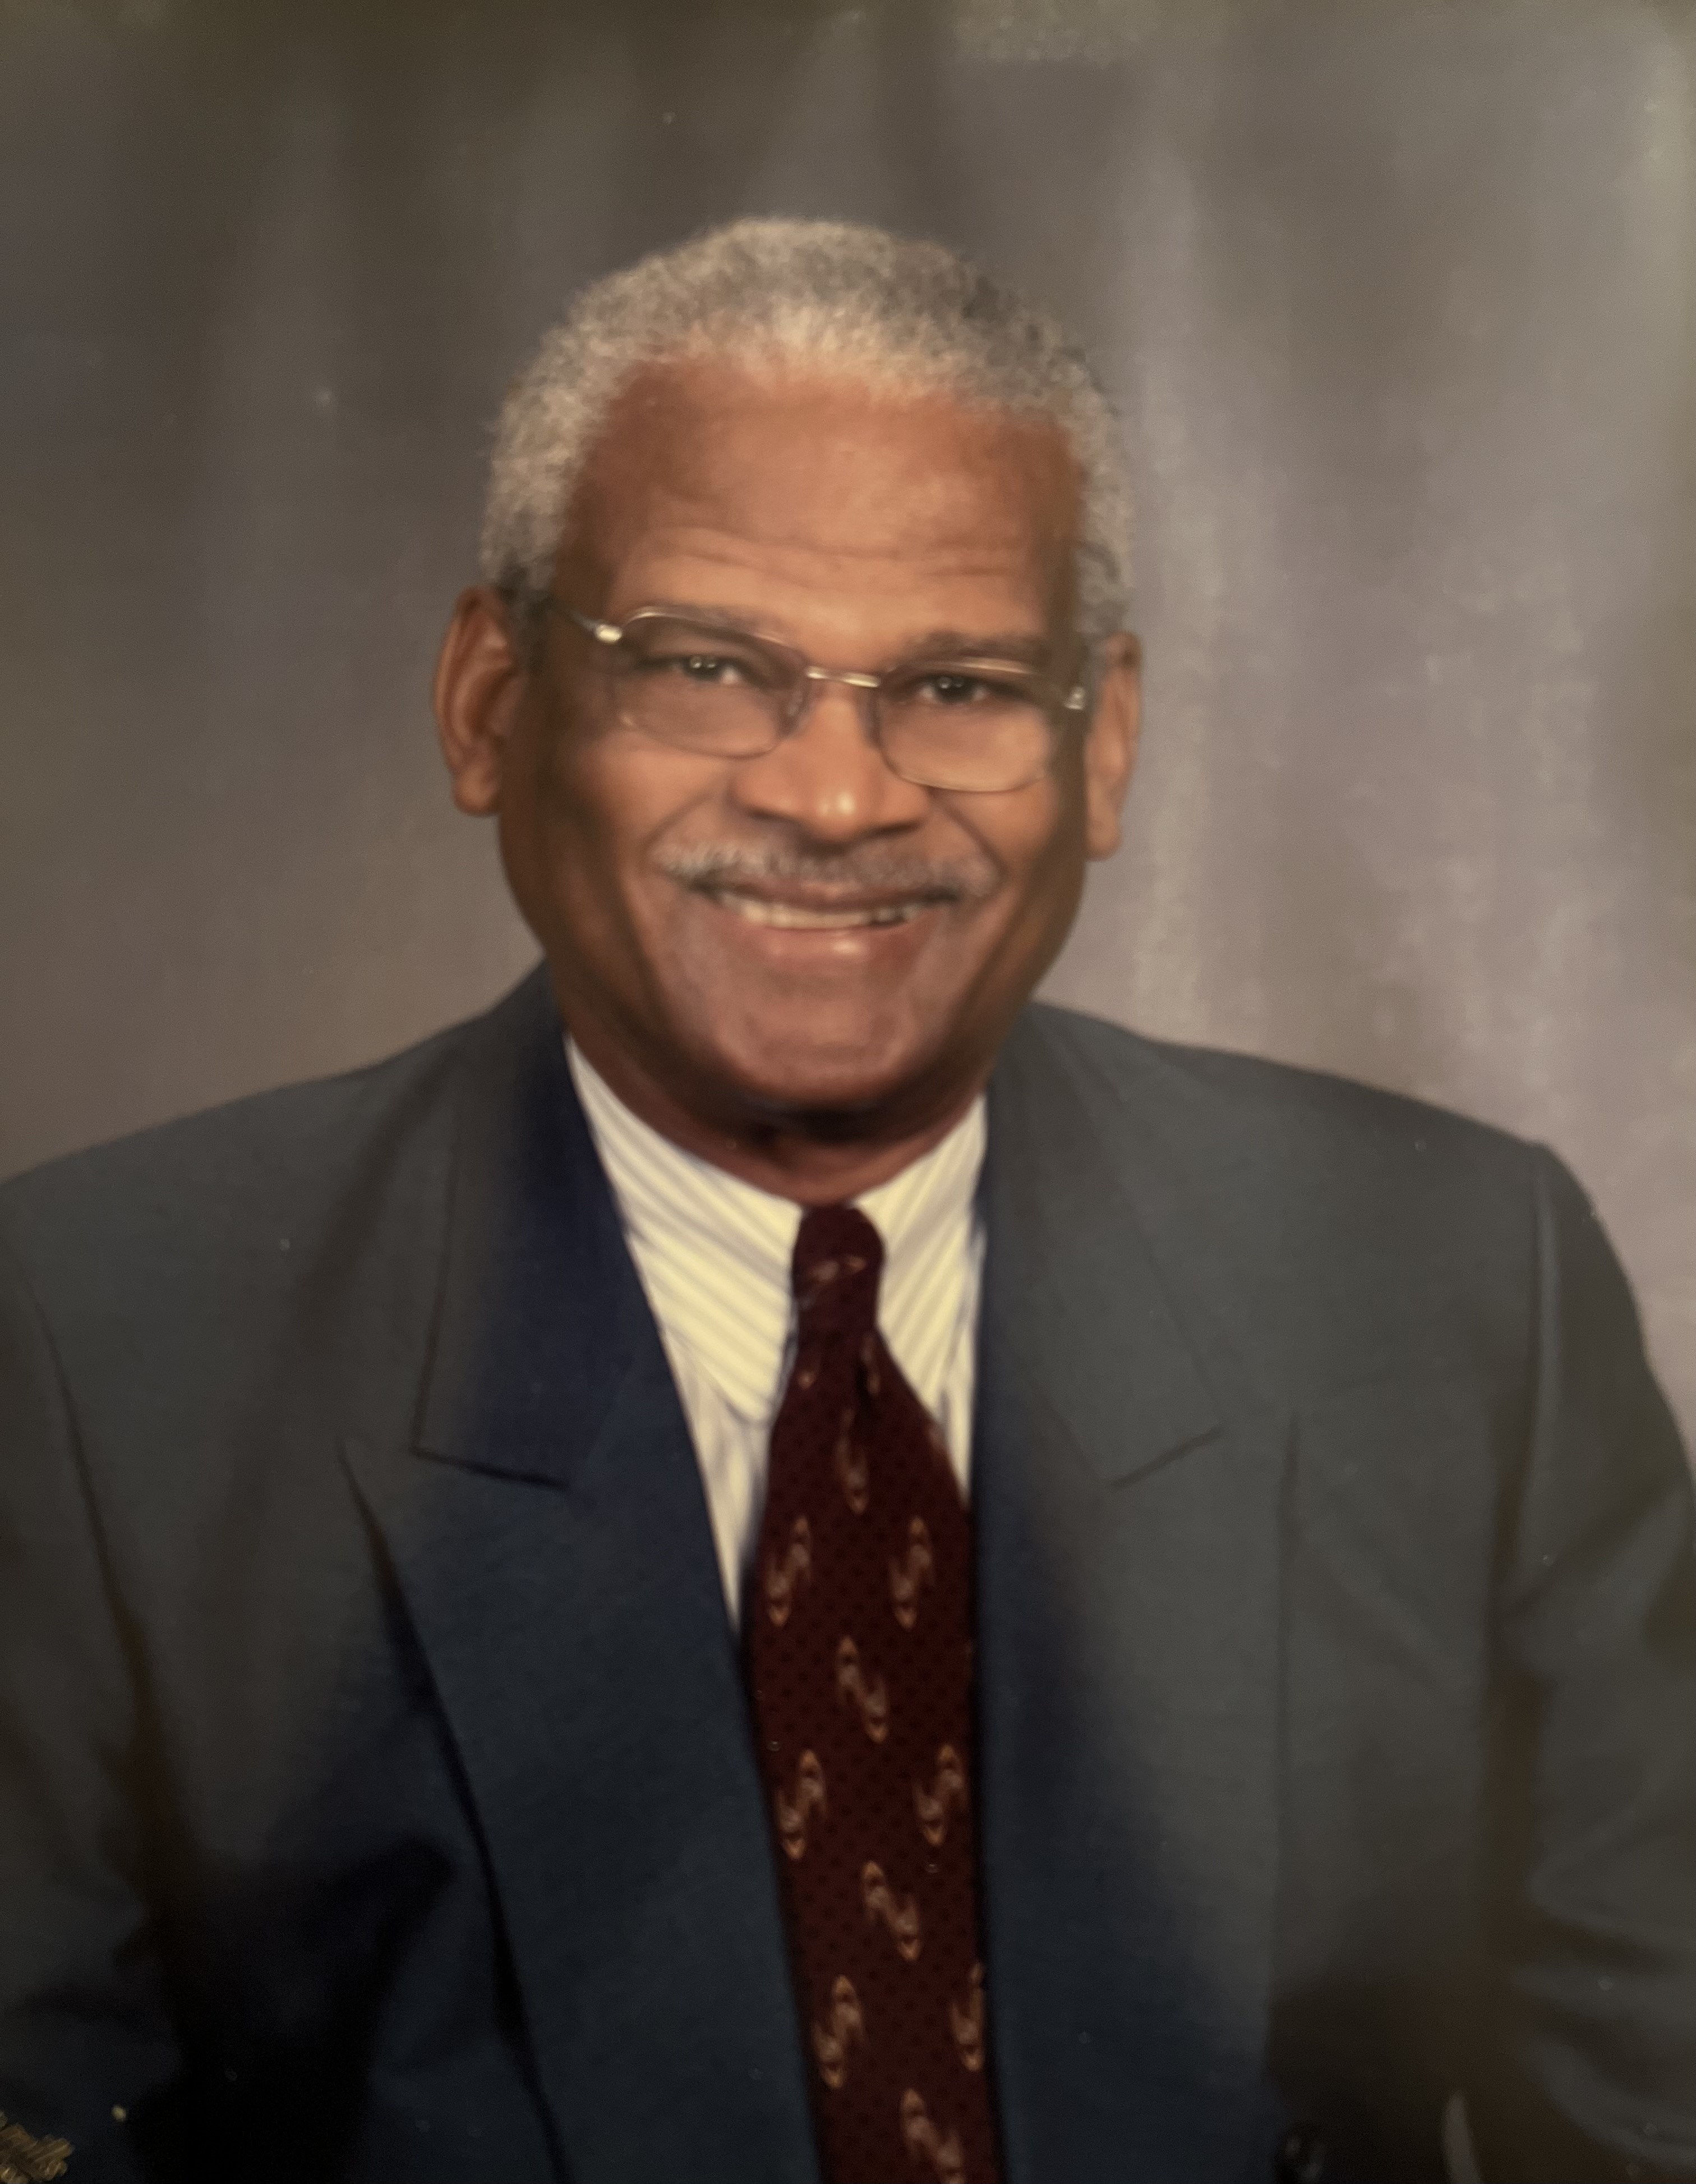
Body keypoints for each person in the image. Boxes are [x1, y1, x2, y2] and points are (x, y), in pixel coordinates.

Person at [1, 218, 1691, 2184]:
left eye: (958, 684)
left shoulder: (1458, 1291)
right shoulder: (96, 1352)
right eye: (707, 668)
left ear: (1103, 745)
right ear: (489, 703)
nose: (836, 797)